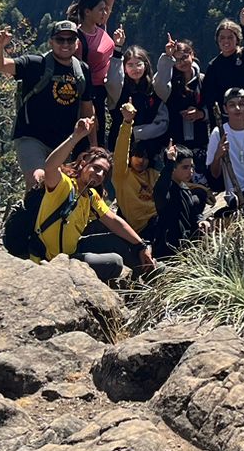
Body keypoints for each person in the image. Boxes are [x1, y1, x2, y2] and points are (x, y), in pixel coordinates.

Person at [30, 117, 154, 282]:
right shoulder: (64, 185)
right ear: (82, 164)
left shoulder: (89, 195)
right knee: (114, 263)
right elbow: (51, 166)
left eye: (104, 172)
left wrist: (142, 246)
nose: (100, 174)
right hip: (53, 259)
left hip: (72, 249)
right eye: (96, 168)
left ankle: (153, 272)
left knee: (121, 242)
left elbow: (115, 222)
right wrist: (75, 137)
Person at [0, 20, 95, 187]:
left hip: (64, 141)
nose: (65, 44)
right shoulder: (35, 64)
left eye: (70, 40)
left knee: (60, 190)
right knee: (38, 181)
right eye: (60, 39)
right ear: (51, 42)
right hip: (32, 137)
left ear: (77, 43)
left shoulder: (82, 71)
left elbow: (87, 108)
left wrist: (93, 146)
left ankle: (30, 213)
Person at [69, 0, 123, 140]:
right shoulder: (78, 38)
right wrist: (89, 109)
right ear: (87, 12)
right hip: (94, 94)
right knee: (96, 141)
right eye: (100, 10)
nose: (105, 12)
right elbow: (79, 77)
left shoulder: (100, 26)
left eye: (105, 10)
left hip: (111, 87)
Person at [207, 87, 244, 206]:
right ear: (225, 109)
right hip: (235, 194)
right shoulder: (218, 133)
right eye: (232, 105)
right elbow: (214, 173)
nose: (237, 108)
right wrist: (218, 155)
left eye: (241, 104)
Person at [154, 36, 206, 170]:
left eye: (184, 57)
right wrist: (167, 56)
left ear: (192, 55)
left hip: (200, 142)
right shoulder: (170, 82)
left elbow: (212, 106)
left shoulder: (203, 80)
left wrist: (201, 114)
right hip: (175, 142)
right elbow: (158, 85)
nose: (181, 63)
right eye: (176, 60)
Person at [109, 44, 167, 164]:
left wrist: (137, 133)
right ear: (124, 68)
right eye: (130, 65)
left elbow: (162, 123)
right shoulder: (119, 90)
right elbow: (112, 80)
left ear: (145, 66)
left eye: (138, 64)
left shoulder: (154, 89)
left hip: (151, 149)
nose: (135, 69)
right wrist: (117, 48)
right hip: (120, 146)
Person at [201, 6, 244, 128]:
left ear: (237, 39)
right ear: (217, 40)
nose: (226, 41)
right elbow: (210, 98)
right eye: (222, 38)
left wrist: (243, 24)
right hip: (227, 122)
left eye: (230, 37)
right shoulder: (214, 66)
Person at [152, 149, 209, 259]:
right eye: (185, 167)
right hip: (168, 252)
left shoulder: (184, 188)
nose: (190, 171)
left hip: (186, 248)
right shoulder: (165, 192)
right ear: (173, 168)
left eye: (191, 166)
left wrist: (200, 220)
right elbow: (160, 189)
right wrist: (169, 163)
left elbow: (193, 213)